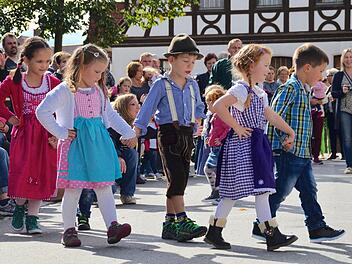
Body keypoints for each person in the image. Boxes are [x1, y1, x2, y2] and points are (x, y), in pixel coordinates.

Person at [36, 44, 137, 247]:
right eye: (97, 71)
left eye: (102, 72)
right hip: (75, 147)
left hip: (98, 146)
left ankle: (112, 226)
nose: (100, 77)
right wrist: (61, 132)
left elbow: (109, 114)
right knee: (73, 190)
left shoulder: (99, 91)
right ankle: (68, 230)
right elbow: (42, 111)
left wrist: (128, 132)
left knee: (104, 186)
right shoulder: (66, 90)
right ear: (81, 66)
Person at [204, 44, 297, 251]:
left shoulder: (259, 92)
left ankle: (271, 235)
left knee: (262, 190)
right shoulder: (240, 88)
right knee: (232, 192)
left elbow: (269, 115)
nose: (268, 69)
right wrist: (236, 127)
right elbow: (218, 105)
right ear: (251, 65)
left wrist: (289, 131)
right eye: (265, 65)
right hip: (241, 146)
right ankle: (214, 232)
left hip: (257, 144)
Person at [252, 43, 345, 243]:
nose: (321, 77)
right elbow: (274, 116)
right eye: (320, 71)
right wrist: (281, 140)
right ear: (307, 68)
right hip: (289, 150)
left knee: (309, 190)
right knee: (281, 191)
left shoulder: (304, 89)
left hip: (302, 152)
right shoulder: (290, 88)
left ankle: (316, 227)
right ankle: (262, 224)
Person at [134, 33, 207, 242]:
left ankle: (169, 223)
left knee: (179, 179)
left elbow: (199, 107)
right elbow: (147, 109)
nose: (189, 65)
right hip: (168, 134)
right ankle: (182, 219)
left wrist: (199, 123)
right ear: (171, 60)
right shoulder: (161, 84)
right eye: (185, 60)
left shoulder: (193, 84)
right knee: (177, 178)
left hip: (187, 135)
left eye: (192, 62)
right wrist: (137, 130)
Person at [0, 37, 61, 233]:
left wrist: (58, 131)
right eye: (39, 61)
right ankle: (19, 206)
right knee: (22, 173)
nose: (44, 66)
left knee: (42, 175)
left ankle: (33, 218)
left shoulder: (53, 82)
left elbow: (65, 108)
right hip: (24, 135)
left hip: (46, 135)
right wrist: (9, 117)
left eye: (48, 61)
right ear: (26, 60)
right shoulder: (14, 81)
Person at [110, 93, 140, 204]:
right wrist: (117, 156)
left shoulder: (132, 123)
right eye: (133, 104)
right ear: (123, 107)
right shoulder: (114, 122)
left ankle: (127, 194)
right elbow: (109, 141)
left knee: (132, 154)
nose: (137, 108)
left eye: (138, 104)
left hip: (121, 155)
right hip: (107, 156)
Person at [202, 85, 229, 202]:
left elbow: (228, 128)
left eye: (209, 103)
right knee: (211, 169)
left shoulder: (222, 115)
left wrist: (221, 139)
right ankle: (216, 191)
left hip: (219, 148)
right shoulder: (214, 115)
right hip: (214, 147)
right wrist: (210, 138)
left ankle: (219, 192)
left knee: (211, 169)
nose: (207, 106)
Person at [331, 48, 352, 174]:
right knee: (347, 138)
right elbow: (333, 93)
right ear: (343, 59)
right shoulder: (339, 75)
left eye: (351, 57)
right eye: (346, 57)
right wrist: (342, 92)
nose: (349, 60)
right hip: (345, 109)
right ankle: (350, 165)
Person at [324, 68, 341, 160]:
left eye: (329, 76)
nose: (327, 78)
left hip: (338, 113)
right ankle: (333, 152)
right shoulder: (329, 88)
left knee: (340, 133)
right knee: (332, 134)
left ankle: (343, 153)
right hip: (330, 113)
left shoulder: (338, 87)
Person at [311, 81, 327, 164]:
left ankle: (316, 156)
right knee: (309, 136)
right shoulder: (308, 85)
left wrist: (319, 101)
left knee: (318, 136)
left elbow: (326, 99)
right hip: (309, 113)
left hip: (320, 114)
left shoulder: (323, 86)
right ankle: (309, 155)